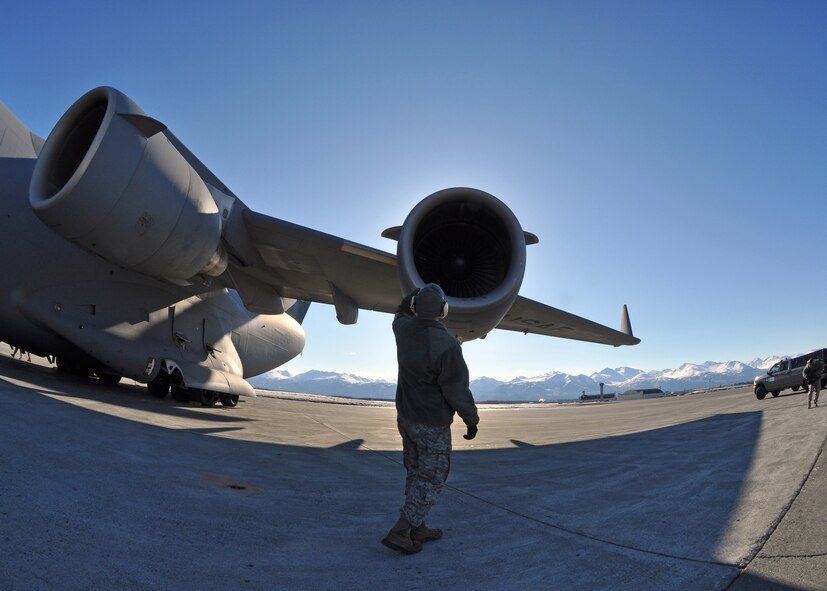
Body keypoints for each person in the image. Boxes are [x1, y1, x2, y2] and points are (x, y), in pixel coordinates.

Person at [381, 283, 479, 554]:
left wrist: (416, 293)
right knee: (433, 477)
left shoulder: (402, 331)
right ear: (443, 310)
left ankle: (417, 525)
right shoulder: (447, 344)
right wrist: (471, 420)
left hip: (406, 418)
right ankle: (401, 530)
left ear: (414, 307)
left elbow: (400, 312)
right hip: (432, 424)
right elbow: (457, 391)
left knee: (415, 471)